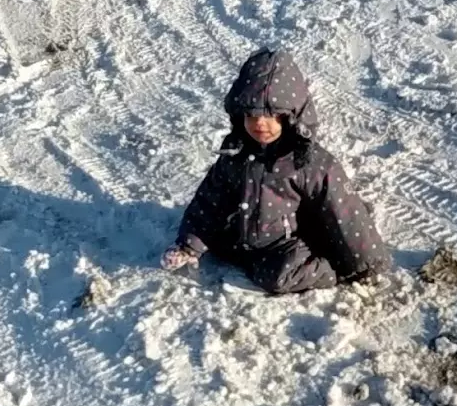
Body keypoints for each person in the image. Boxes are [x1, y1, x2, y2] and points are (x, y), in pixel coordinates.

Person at [163, 49, 388, 296]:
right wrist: (189, 246)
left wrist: (366, 264)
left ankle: (330, 268)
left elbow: (344, 211)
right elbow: (210, 201)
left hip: (287, 241)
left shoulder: (309, 163)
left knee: (279, 277)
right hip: (246, 233)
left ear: (291, 116)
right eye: (251, 115)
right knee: (218, 242)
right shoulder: (235, 154)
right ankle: (243, 254)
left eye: (271, 115)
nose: (260, 124)